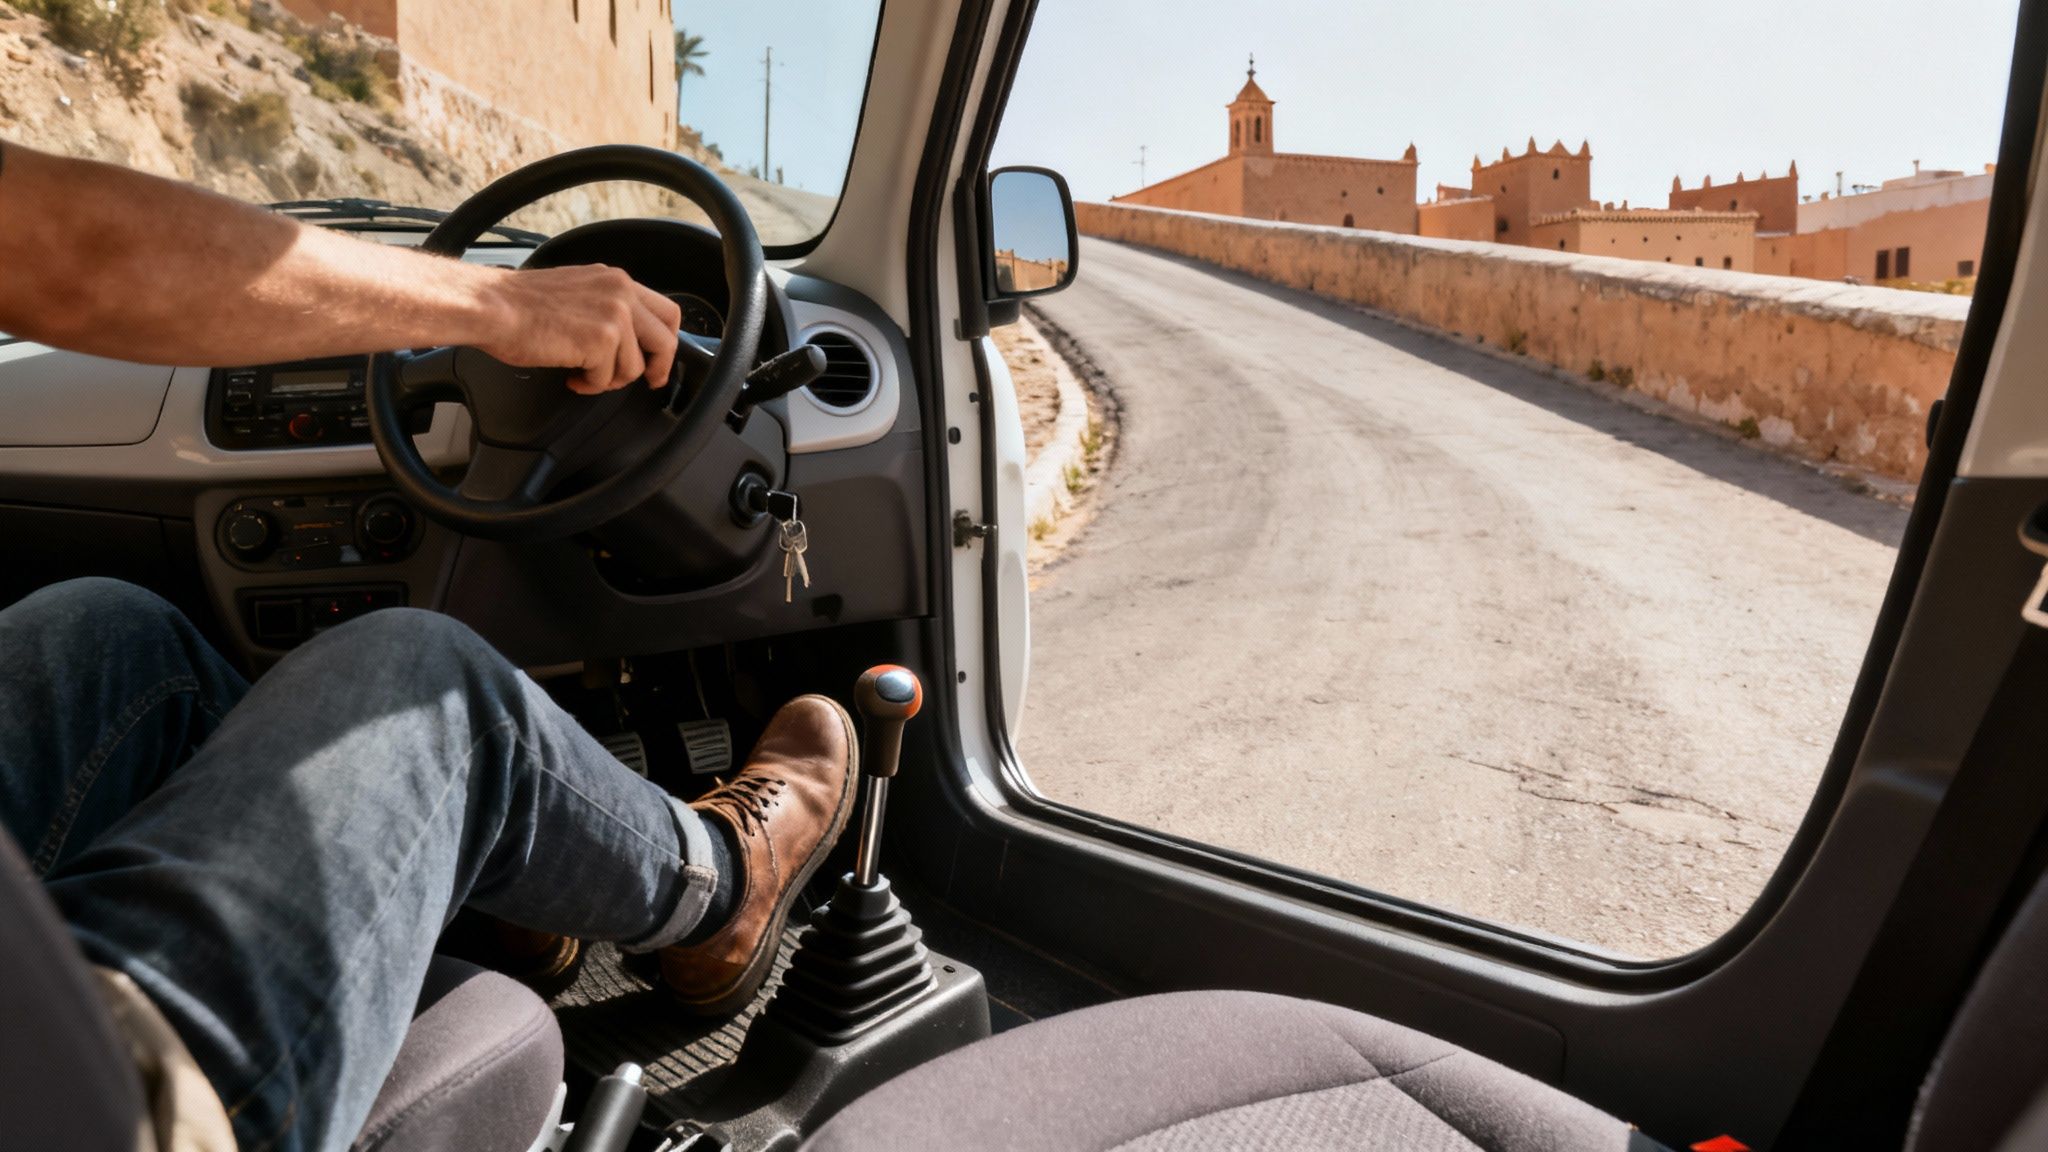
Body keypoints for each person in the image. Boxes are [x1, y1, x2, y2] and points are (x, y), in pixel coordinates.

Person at [0, 140, 861, 1151]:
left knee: (110, 634)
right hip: (88, 1100)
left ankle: (471, 872)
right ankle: (719, 888)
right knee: (423, 683)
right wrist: (504, 308)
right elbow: (68, 250)